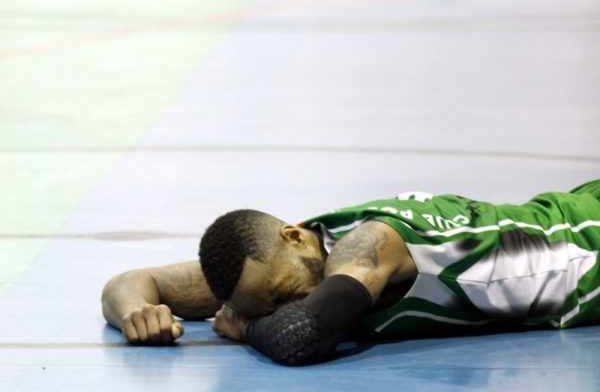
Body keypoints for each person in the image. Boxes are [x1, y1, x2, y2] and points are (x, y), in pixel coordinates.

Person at [102, 180, 600, 365]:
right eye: (264, 306)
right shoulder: (269, 271)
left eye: (282, 296)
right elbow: (130, 281)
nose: (284, 308)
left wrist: (245, 326)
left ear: (296, 236)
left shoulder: (364, 248)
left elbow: (303, 333)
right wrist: (137, 311)